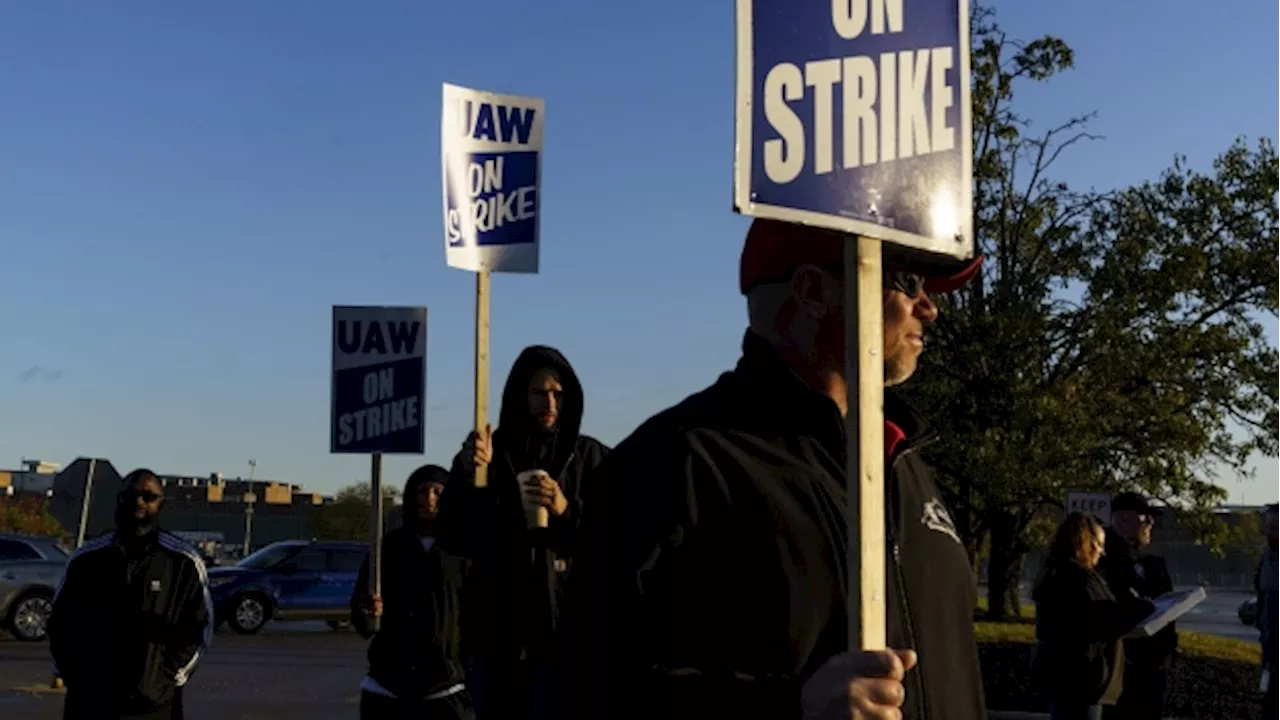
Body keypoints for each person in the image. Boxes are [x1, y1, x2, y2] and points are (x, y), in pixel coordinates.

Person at [560, 218, 987, 720]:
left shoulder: (901, 460)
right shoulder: (675, 462)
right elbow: (591, 687)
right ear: (813, 290)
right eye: (908, 281)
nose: (930, 308)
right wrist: (792, 707)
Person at [437, 345, 609, 720]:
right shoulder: (491, 458)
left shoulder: (591, 459)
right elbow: (454, 536)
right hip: (499, 640)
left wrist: (564, 510)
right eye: (539, 392)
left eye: (558, 394)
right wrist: (467, 474)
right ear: (520, 395)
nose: (549, 402)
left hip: (569, 639)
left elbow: (615, 544)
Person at [49, 468, 214, 720]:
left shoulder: (182, 562)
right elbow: (60, 623)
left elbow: (199, 626)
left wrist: (166, 677)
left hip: (153, 704)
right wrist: (73, 674)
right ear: (119, 500)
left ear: (161, 504)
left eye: (148, 497)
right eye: (130, 496)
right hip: (90, 701)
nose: (139, 502)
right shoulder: (87, 560)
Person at [351, 464, 473, 720]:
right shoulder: (389, 547)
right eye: (421, 491)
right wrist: (368, 611)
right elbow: (361, 619)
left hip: (445, 689)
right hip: (387, 688)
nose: (428, 499)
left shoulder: (462, 551)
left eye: (437, 492)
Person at [1033, 512, 1154, 720]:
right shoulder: (1077, 578)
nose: (1102, 552)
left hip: (1069, 678)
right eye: (1099, 544)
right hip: (1080, 679)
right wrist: (1142, 608)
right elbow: (1101, 620)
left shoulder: (1059, 573)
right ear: (1086, 543)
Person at [1097, 492, 1175, 720]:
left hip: (1149, 663)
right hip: (1124, 667)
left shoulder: (1143, 560)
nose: (1151, 523)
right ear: (1122, 520)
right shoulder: (1107, 561)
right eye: (1145, 517)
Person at [1255, 504, 1280, 719]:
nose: (1269, 533)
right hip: (1270, 651)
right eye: (1268, 527)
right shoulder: (1267, 558)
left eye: (1275, 528)